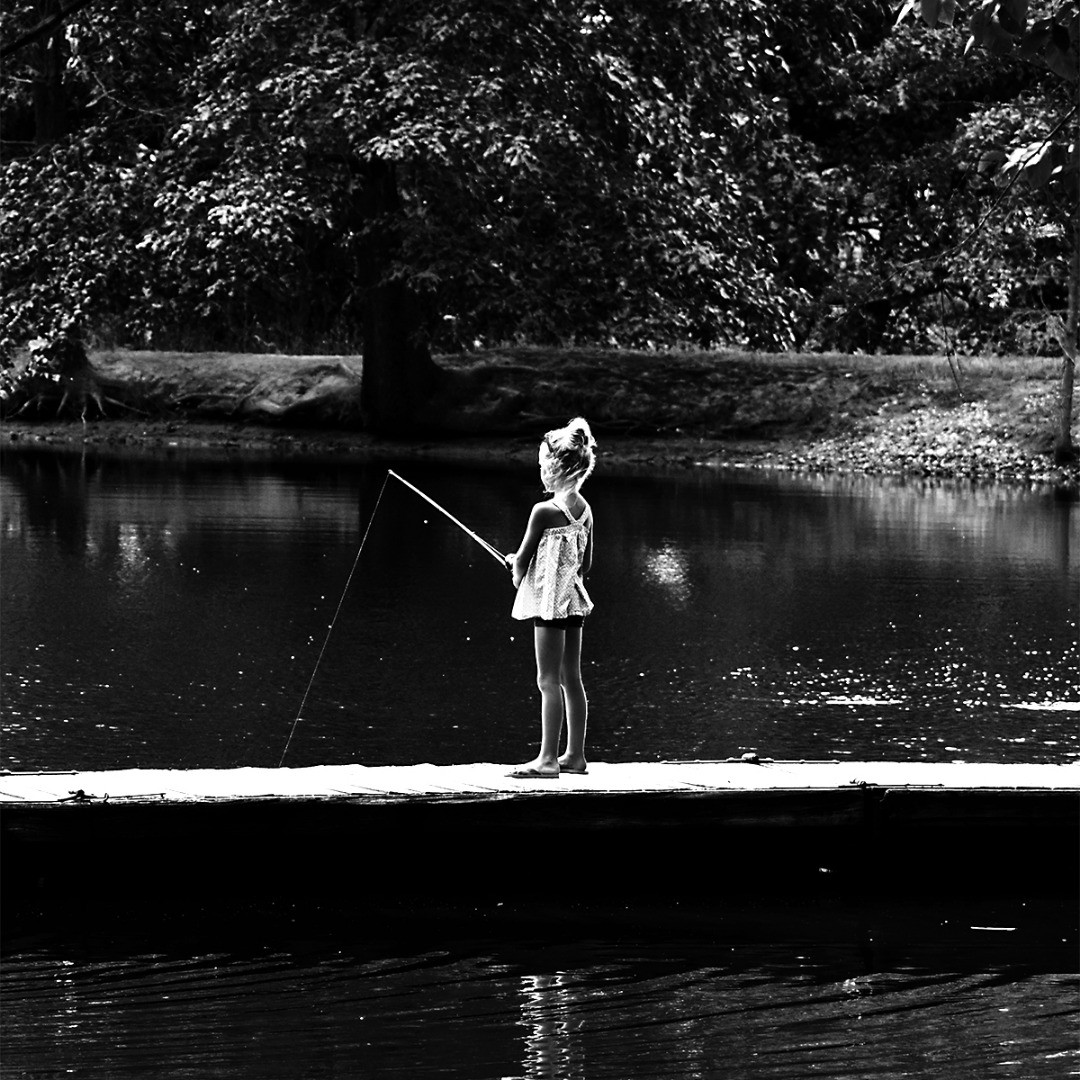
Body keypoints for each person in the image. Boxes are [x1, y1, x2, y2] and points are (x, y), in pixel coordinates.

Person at [505, 417, 597, 778]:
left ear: (560, 469)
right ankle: (575, 756)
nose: (540, 470)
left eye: (543, 464)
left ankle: (546, 760)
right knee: (571, 678)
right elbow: (585, 564)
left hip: (549, 606)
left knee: (547, 681)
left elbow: (520, 567)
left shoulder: (542, 512)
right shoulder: (585, 511)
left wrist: (515, 566)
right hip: (573, 603)